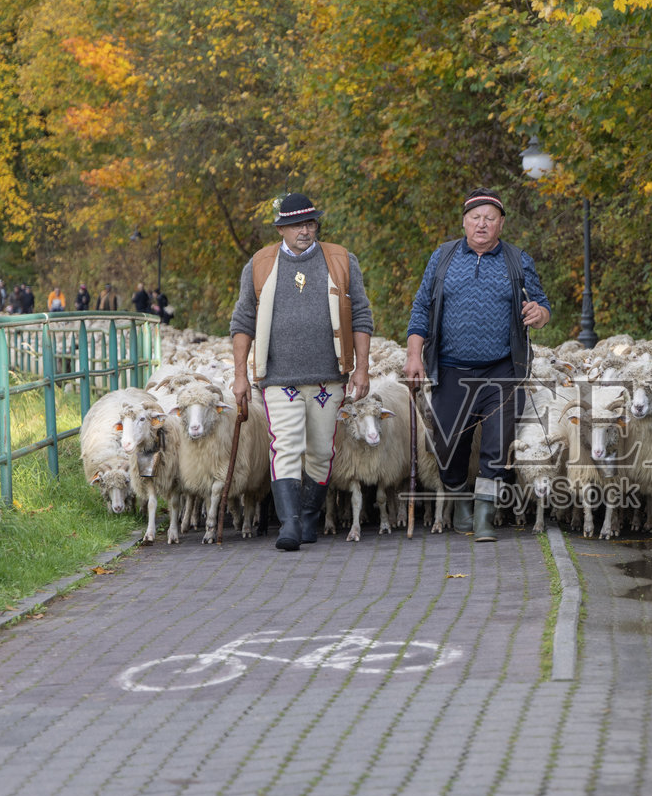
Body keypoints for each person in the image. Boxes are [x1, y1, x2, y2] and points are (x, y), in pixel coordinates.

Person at [404, 187, 550, 542]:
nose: (482, 224)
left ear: (501, 224)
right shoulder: (443, 257)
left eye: (490, 218)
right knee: (447, 445)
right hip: (451, 368)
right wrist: (413, 354)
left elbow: (543, 306)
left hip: (502, 369)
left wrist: (539, 313)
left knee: (497, 446)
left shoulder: (518, 260)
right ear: (464, 222)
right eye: (475, 217)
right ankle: (460, 502)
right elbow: (422, 308)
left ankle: (484, 514)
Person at [230, 193, 373, 551]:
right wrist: (240, 374)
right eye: (297, 225)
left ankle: (309, 517)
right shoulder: (261, 263)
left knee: (322, 450)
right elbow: (243, 320)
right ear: (282, 228)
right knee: (287, 445)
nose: (305, 230)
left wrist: (362, 369)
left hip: (329, 375)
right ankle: (290, 524)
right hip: (279, 377)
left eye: (310, 223)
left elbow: (362, 317)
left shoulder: (340, 259)